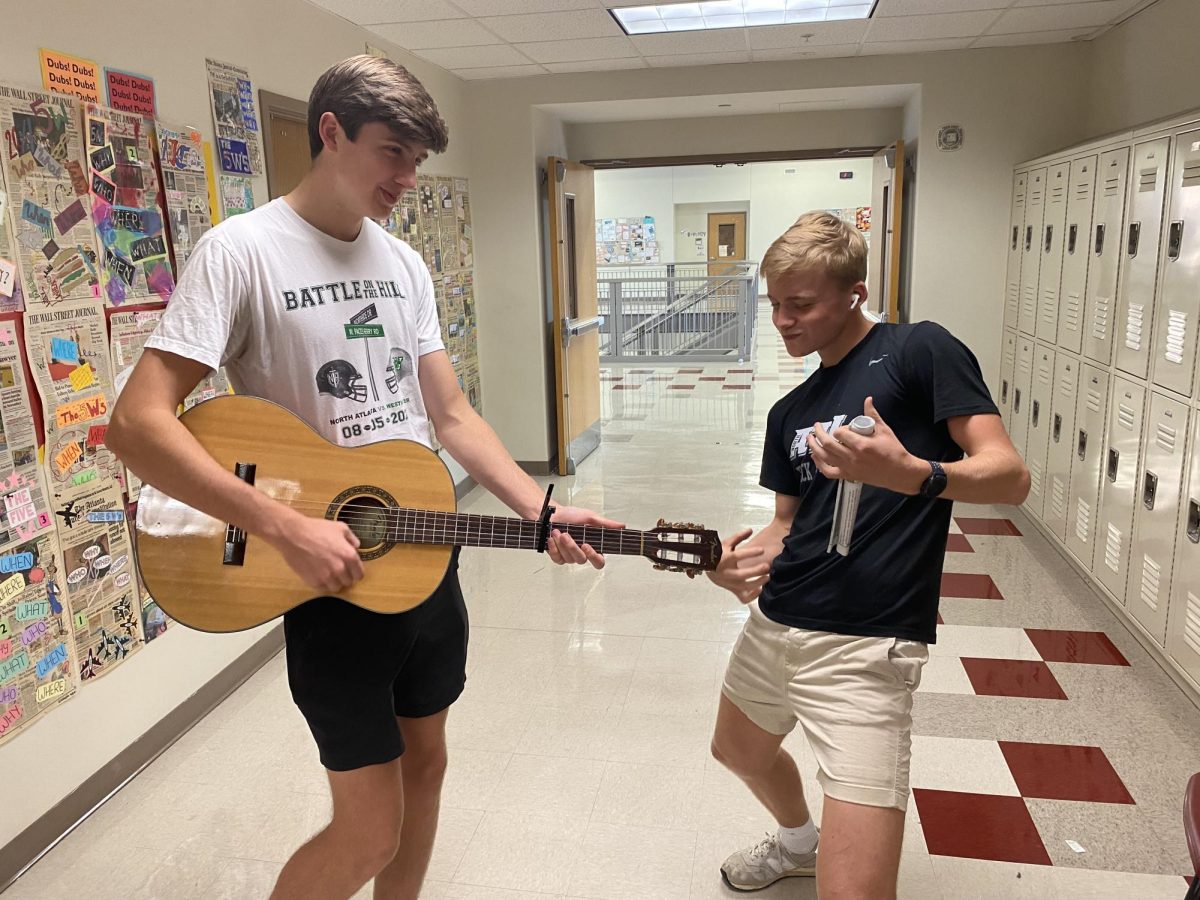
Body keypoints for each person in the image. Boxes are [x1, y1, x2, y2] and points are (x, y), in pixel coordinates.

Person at [107, 55, 620, 900]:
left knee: (427, 771)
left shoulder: (404, 265)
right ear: (331, 131)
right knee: (368, 831)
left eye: (417, 161)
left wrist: (544, 511)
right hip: (324, 581)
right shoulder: (242, 252)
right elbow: (138, 422)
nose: (407, 179)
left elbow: (449, 415)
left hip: (425, 559)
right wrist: (281, 526)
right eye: (392, 154)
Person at [705, 212, 1029, 898]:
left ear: (854, 292)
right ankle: (798, 844)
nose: (782, 321)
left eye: (801, 305)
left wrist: (916, 473)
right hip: (777, 623)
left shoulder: (918, 352)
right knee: (736, 750)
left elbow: (1008, 473)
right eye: (774, 304)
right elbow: (785, 527)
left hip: (867, 645)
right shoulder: (790, 410)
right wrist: (731, 563)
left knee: (854, 892)